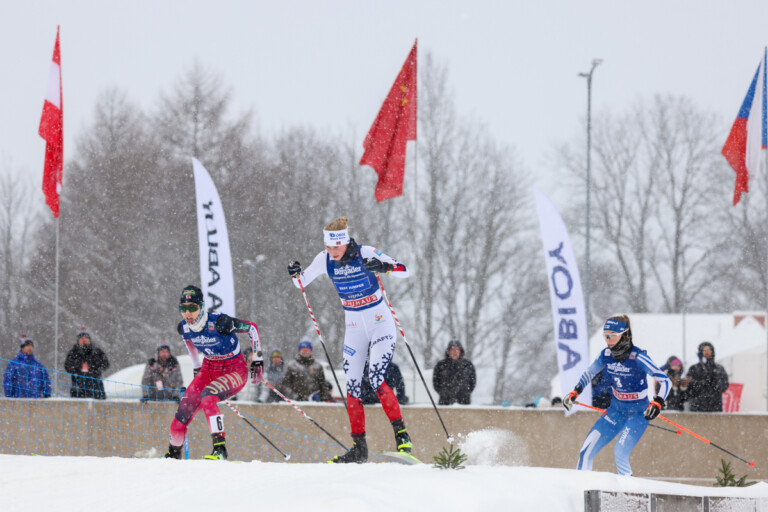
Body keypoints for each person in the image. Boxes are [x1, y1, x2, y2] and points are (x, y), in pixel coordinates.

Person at [288, 216, 412, 463]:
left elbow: (405, 270)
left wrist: (383, 267)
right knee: (352, 386)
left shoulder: (365, 253)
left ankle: (402, 437)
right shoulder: (324, 259)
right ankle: (359, 448)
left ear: (345, 243)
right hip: (354, 325)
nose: (332, 252)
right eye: (329, 247)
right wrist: (294, 273)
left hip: (379, 322)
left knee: (376, 379)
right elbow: (300, 282)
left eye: (336, 247)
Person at [165, 285, 265, 460]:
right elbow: (189, 344)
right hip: (209, 369)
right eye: (183, 309)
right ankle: (172, 455)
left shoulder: (219, 323)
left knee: (208, 397)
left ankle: (220, 449)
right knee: (180, 417)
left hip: (234, 370)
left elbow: (252, 328)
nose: (187, 313)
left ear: (201, 307)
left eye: (192, 308)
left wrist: (257, 360)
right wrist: (196, 367)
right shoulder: (184, 327)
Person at [562, 314, 671, 476]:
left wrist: (657, 403)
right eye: (606, 336)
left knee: (620, 453)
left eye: (612, 336)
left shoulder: (638, 357)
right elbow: (589, 373)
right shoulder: (606, 355)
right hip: (615, 411)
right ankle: (581, 492)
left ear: (624, 335)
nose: (609, 340)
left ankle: (630, 495)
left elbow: (665, 380)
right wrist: (575, 392)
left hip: (638, 414)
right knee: (586, 451)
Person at [64, 328, 110, 399]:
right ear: (78, 340)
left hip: (96, 387)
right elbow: (67, 366)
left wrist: (92, 367)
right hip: (78, 388)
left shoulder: (97, 352)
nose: (84, 340)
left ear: (89, 339)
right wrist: (79, 367)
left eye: (86, 337)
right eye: (81, 338)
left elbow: (105, 364)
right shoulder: (72, 353)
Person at [684, 342, 729, 412]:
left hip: (715, 406)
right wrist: (701, 384)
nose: (706, 352)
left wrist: (716, 385)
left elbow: (725, 384)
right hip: (697, 407)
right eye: (704, 350)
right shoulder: (694, 368)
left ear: (712, 351)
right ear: (700, 352)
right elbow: (689, 384)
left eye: (708, 350)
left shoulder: (719, 368)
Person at [432, 340, 476, 405]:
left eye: (457, 349)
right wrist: (444, 393)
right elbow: (436, 383)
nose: (455, 352)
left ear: (461, 351)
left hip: (463, 403)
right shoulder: (441, 365)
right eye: (452, 349)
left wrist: (464, 393)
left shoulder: (468, 365)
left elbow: (472, 383)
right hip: (445, 403)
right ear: (448, 351)